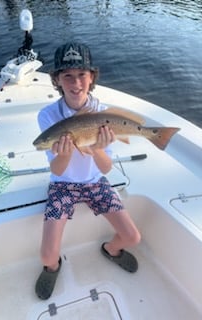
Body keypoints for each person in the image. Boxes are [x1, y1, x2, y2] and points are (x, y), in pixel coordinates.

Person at [35, 42, 141, 300]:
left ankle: (110, 250)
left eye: (82, 74)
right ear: (57, 79)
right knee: (47, 255)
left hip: (96, 182)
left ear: (92, 77)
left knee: (132, 237)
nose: (75, 82)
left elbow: (106, 168)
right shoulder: (48, 116)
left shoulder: (104, 115)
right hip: (63, 184)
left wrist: (96, 148)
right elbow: (57, 169)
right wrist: (67, 150)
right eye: (67, 75)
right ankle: (53, 267)